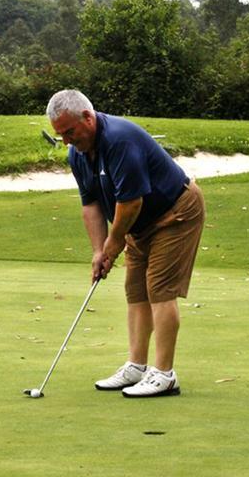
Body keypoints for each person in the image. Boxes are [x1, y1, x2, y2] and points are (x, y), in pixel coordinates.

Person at [46, 90, 205, 398]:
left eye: (69, 132)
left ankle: (164, 374)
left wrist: (114, 243)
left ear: (88, 118)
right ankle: (137, 366)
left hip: (175, 212)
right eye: (60, 134)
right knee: (135, 289)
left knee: (159, 288)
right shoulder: (76, 154)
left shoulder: (119, 141)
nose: (66, 140)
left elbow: (130, 202)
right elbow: (91, 204)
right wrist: (98, 250)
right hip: (139, 224)